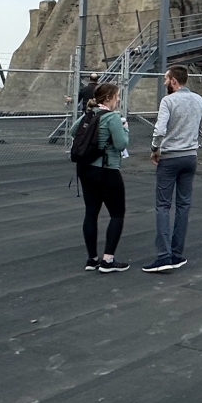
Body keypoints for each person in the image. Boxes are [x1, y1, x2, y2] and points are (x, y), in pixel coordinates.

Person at [145, 65, 202, 272]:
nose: (164, 82)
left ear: (173, 81)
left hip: (170, 158)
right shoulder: (198, 99)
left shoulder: (168, 101)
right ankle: (177, 253)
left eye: (166, 79)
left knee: (163, 206)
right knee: (183, 205)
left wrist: (155, 148)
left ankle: (164, 256)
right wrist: (193, 144)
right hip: (190, 157)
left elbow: (160, 129)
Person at [77, 80, 130, 272]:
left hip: (87, 169)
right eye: (117, 96)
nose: (118, 100)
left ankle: (92, 258)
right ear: (108, 98)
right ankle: (108, 259)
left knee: (91, 212)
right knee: (117, 213)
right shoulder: (113, 117)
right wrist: (125, 129)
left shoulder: (90, 114)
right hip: (107, 169)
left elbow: (75, 131)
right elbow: (121, 144)